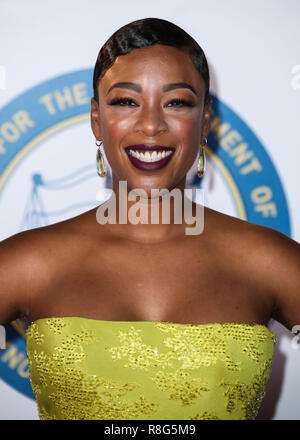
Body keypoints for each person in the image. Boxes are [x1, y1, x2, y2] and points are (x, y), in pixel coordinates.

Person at [0, 17, 299, 421]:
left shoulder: (268, 260)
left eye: (177, 102)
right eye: (126, 101)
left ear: (205, 119)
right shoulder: (26, 263)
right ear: (96, 119)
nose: (151, 124)